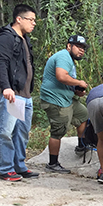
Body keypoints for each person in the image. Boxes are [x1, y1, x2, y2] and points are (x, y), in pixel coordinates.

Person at [0, 4, 38, 181]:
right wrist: (6, 87)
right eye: (31, 20)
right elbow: (0, 63)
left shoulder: (24, 39)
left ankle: (18, 165)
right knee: (6, 131)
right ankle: (4, 168)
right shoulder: (6, 37)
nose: (33, 23)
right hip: (11, 93)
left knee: (21, 132)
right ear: (19, 19)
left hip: (24, 94)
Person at [40, 34, 90, 174]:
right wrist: (79, 82)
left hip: (67, 98)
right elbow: (61, 76)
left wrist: (76, 90)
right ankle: (53, 163)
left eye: (83, 48)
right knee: (58, 130)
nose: (81, 51)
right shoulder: (63, 56)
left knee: (83, 115)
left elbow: (65, 80)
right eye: (78, 47)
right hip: (55, 100)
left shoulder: (69, 59)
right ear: (69, 46)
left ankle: (81, 146)